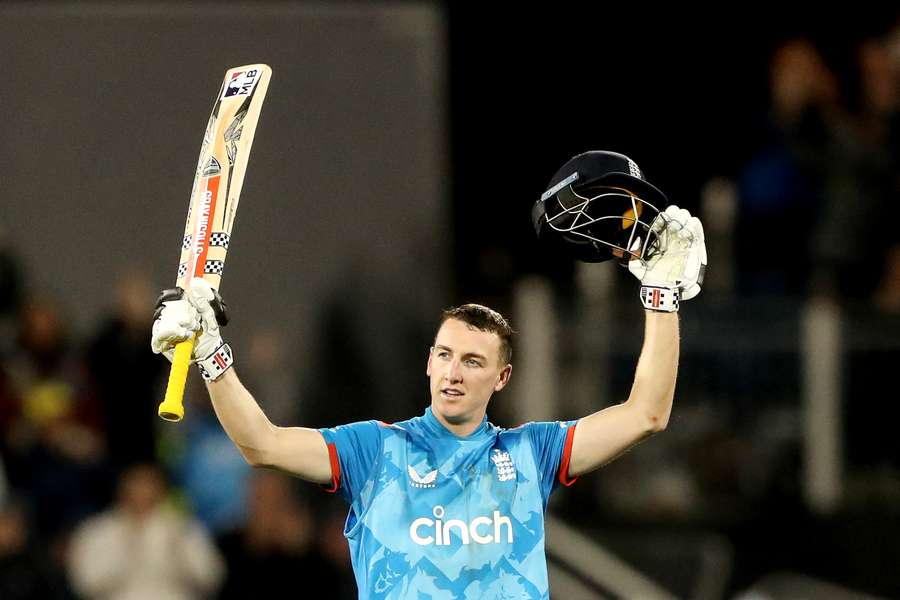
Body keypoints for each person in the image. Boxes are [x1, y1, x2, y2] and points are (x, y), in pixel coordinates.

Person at [150, 151, 707, 599]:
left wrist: (661, 299)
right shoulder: (374, 451)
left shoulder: (532, 454)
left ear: (502, 379)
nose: (453, 373)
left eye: (473, 361)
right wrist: (211, 351)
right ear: (428, 362)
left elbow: (646, 413)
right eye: (444, 355)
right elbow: (261, 444)